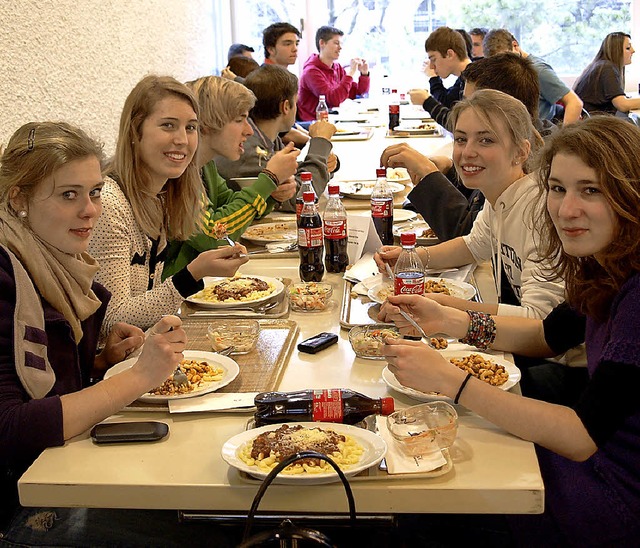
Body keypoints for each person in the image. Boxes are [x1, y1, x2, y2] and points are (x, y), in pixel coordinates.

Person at [379, 116, 640, 546]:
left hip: (612, 502)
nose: (566, 208)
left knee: (417, 508)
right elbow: (545, 336)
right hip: (592, 468)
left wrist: (450, 380)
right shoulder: (606, 264)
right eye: (557, 188)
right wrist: (451, 320)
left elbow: (580, 436)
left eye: (590, 190)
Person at [0, 122, 186, 535]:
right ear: (19, 200)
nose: (91, 210)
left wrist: (102, 362)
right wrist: (139, 376)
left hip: (62, 469)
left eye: (95, 192)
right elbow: (10, 428)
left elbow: (53, 386)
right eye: (70, 195)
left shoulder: (59, 265)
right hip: (23, 507)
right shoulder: (6, 274)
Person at [376, 89, 565, 320]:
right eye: (461, 139)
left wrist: (444, 306)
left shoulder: (539, 211)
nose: (467, 152)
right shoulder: (499, 195)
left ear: (521, 152)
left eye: (486, 140)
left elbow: (539, 320)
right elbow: (472, 245)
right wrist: (410, 258)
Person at [88, 75, 250, 335]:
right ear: (134, 131)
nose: (182, 140)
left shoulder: (163, 193)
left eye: (190, 127)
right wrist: (193, 273)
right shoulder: (109, 202)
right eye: (168, 126)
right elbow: (112, 321)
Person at [387, 53, 544, 241]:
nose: (465, 109)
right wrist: (449, 169)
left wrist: (429, 174)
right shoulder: (507, 150)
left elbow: (469, 235)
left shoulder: (532, 169)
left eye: (474, 102)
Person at [162, 75, 298, 276]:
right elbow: (214, 234)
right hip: (174, 296)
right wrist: (268, 179)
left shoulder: (205, 165)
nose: (249, 130)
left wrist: (271, 193)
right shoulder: (177, 173)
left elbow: (230, 206)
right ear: (207, 123)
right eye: (240, 119)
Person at [215, 65, 337, 213]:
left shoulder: (265, 137)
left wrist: (327, 163)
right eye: (295, 102)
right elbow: (298, 200)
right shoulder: (247, 148)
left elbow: (289, 175)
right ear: (286, 106)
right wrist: (320, 142)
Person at [483, 28, 583, 125]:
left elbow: (574, 103)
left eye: (506, 59)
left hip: (541, 132)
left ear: (515, 45)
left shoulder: (538, 70)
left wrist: (562, 138)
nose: (502, 66)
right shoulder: (506, 71)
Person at [297, 25, 370, 121]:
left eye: (341, 44)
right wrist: (351, 73)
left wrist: (364, 74)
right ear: (322, 43)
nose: (340, 48)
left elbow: (357, 93)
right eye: (336, 43)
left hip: (335, 118)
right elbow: (334, 100)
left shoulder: (337, 67)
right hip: (314, 123)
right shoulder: (311, 72)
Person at [573, 31, 640, 117]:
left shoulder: (600, 65)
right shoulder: (607, 68)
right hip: (593, 123)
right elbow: (622, 105)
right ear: (616, 51)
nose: (633, 51)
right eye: (628, 48)